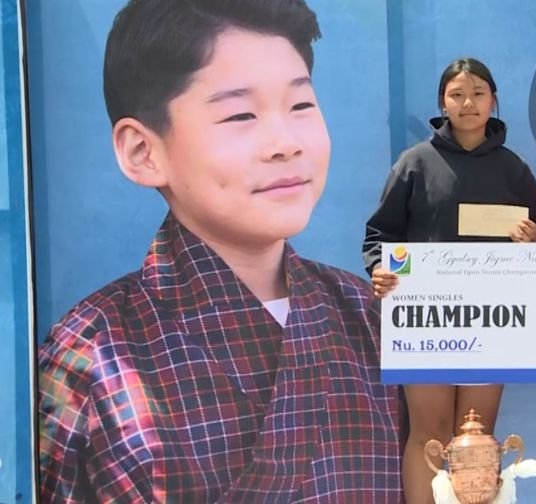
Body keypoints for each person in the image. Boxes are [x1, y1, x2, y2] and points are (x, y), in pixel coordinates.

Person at [36, 1, 403, 502]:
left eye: (301, 106)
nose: (285, 143)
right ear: (143, 151)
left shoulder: (368, 314)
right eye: (240, 114)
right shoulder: (92, 353)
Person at [362, 57, 536, 504]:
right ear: (442, 104)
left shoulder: (513, 169)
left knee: (478, 434)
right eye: (457, 95)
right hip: (423, 320)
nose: (468, 103)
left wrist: (533, 240)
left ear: (494, 101)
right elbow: (380, 235)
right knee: (428, 433)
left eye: (478, 94)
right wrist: (379, 269)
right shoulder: (414, 163)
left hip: (493, 320)